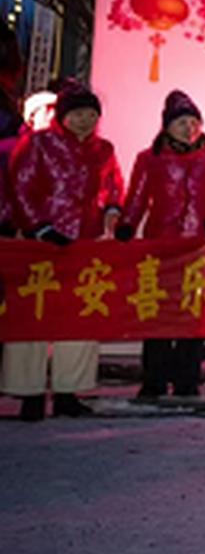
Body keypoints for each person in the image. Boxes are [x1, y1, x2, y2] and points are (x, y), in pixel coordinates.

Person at [1, 82, 123, 420]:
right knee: (32, 318)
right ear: (63, 116)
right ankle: (29, 392)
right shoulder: (39, 144)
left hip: (84, 244)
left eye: (91, 113)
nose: (85, 120)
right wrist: (38, 226)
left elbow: (114, 187)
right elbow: (19, 186)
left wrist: (113, 212)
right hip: (40, 244)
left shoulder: (104, 150)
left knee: (79, 316)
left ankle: (70, 390)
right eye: (78, 113)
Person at [117, 90, 205, 400]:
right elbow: (138, 197)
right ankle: (154, 380)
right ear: (167, 126)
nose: (188, 128)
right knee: (158, 313)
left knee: (192, 314)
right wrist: (127, 224)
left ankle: (186, 380)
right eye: (182, 122)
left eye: (193, 122)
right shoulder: (150, 158)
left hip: (198, 246)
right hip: (161, 244)